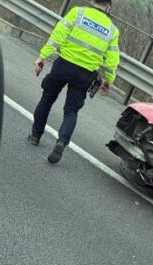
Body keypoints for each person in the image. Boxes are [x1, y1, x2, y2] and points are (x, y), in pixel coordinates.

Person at [28, 0, 120, 164]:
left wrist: (42, 57)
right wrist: (109, 80)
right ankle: (62, 142)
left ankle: (35, 136)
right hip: (85, 74)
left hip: (63, 65)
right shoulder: (112, 30)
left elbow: (57, 36)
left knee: (47, 99)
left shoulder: (77, 12)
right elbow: (112, 59)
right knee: (71, 111)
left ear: (92, 1)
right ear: (108, 7)